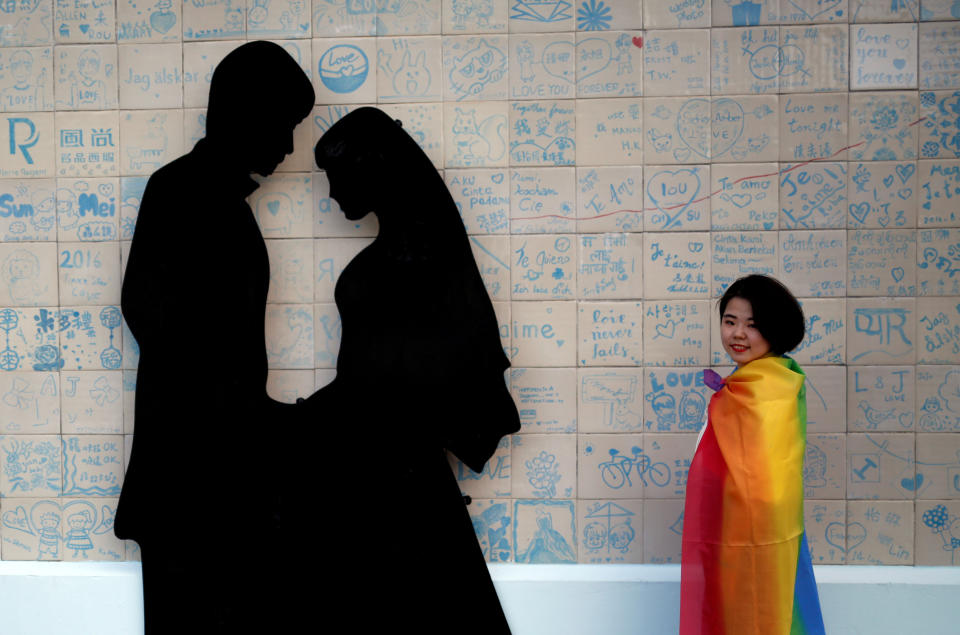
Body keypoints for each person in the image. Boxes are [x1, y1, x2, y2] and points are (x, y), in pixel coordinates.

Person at [116, 41, 314, 633]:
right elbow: (149, 312)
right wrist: (239, 414)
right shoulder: (182, 191)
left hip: (218, 473)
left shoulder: (213, 197)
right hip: (192, 478)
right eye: (283, 124)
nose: (288, 145)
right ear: (245, 112)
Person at [311, 107, 520, 633]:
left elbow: (400, 378)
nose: (332, 194)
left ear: (370, 168)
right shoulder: (404, 260)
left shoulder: (411, 265)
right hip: (379, 467)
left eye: (336, 177)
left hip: (392, 472)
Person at [680, 275, 825, 635]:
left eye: (753, 325)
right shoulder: (758, 379)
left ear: (776, 329)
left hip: (754, 531)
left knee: (756, 616)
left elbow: (764, 475)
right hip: (738, 526)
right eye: (730, 322)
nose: (738, 334)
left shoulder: (765, 387)